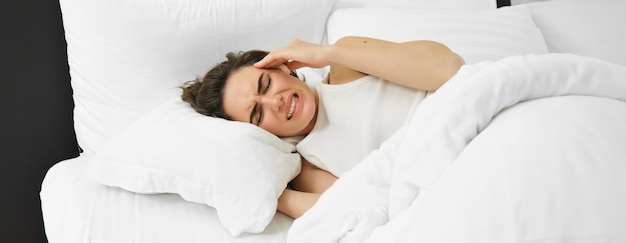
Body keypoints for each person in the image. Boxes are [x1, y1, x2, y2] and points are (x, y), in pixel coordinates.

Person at [181, 36, 464, 219]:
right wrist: (271, 195)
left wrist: (328, 52)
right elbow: (363, 207)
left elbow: (449, 68)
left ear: (280, 67)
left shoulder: (347, 66)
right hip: (453, 183)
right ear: (257, 132)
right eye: (257, 113)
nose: (274, 102)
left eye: (266, 85)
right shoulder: (309, 165)